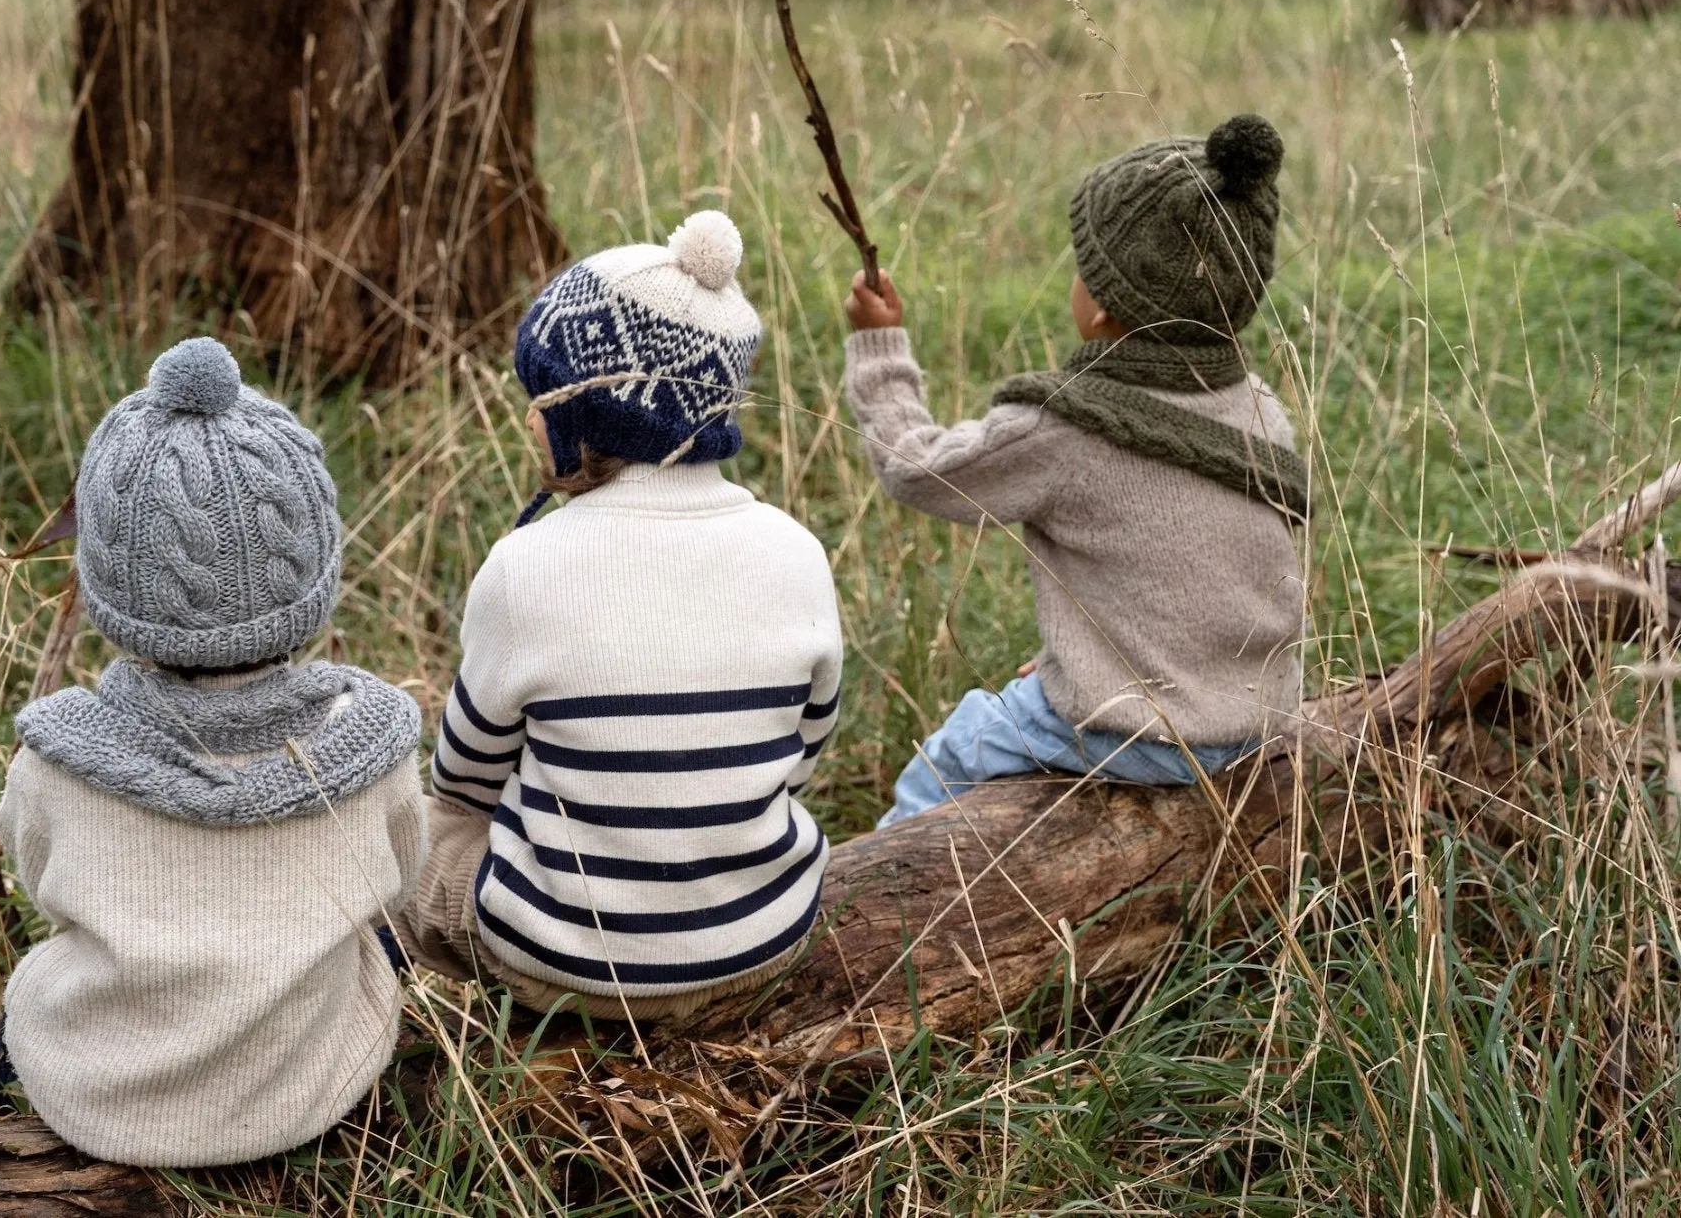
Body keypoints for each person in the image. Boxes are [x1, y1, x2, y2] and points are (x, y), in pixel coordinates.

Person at [0, 337, 426, 1166]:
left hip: (101, 1094)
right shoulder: (371, 745)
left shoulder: (57, 756)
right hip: (311, 1085)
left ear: (109, 579)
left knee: (42, 974)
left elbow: (42, 886)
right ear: (311, 567)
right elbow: (398, 879)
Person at [400, 210, 843, 1021]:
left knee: (422, 831)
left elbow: (463, 778)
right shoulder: (797, 552)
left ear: (587, 413)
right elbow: (804, 748)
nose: (529, 416)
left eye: (538, 396)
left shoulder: (523, 567)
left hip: (564, 969)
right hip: (763, 941)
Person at [841, 114, 1308, 827]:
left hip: (1145, 735)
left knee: (954, 750)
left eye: (1084, 267)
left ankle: (876, 892)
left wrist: (879, 351)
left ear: (1102, 308)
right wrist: (1088, 660)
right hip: (1257, 724)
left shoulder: (1069, 427)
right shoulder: (1260, 411)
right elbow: (1186, 579)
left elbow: (918, 469)